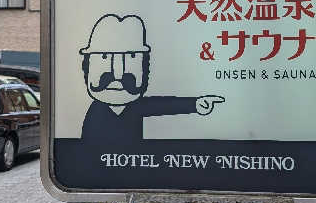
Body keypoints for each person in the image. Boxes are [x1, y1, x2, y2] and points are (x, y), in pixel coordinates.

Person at [79, 13, 223, 143]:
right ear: (87, 68)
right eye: (105, 58)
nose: (118, 75)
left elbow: (161, 105)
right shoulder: (96, 113)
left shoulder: (135, 106)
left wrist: (195, 104)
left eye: (131, 58)